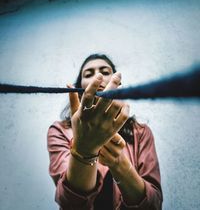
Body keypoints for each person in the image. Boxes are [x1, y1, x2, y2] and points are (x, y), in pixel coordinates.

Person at [47, 53, 163, 210]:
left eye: (105, 71)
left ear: (118, 84)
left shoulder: (141, 132)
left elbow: (153, 204)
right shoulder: (59, 130)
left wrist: (118, 162)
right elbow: (70, 203)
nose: (98, 77)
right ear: (79, 87)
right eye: (88, 74)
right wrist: (83, 150)